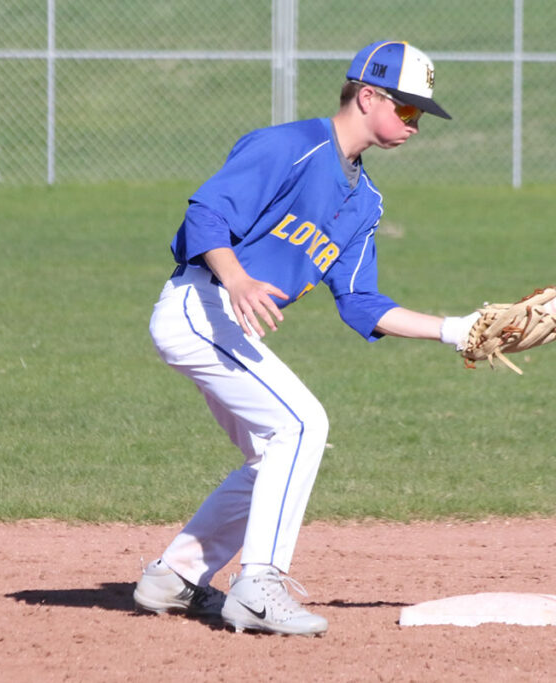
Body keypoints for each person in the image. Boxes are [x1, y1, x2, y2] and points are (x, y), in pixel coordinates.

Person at [133, 40, 478, 637]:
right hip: (200, 305)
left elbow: (362, 304)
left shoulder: (363, 203)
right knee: (302, 425)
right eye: (408, 110)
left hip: (229, 322)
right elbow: (206, 213)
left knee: (274, 453)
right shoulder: (290, 145)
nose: (415, 125)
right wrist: (236, 277)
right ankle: (259, 586)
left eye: (419, 115)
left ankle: (174, 578)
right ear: (368, 96)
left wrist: (458, 330)